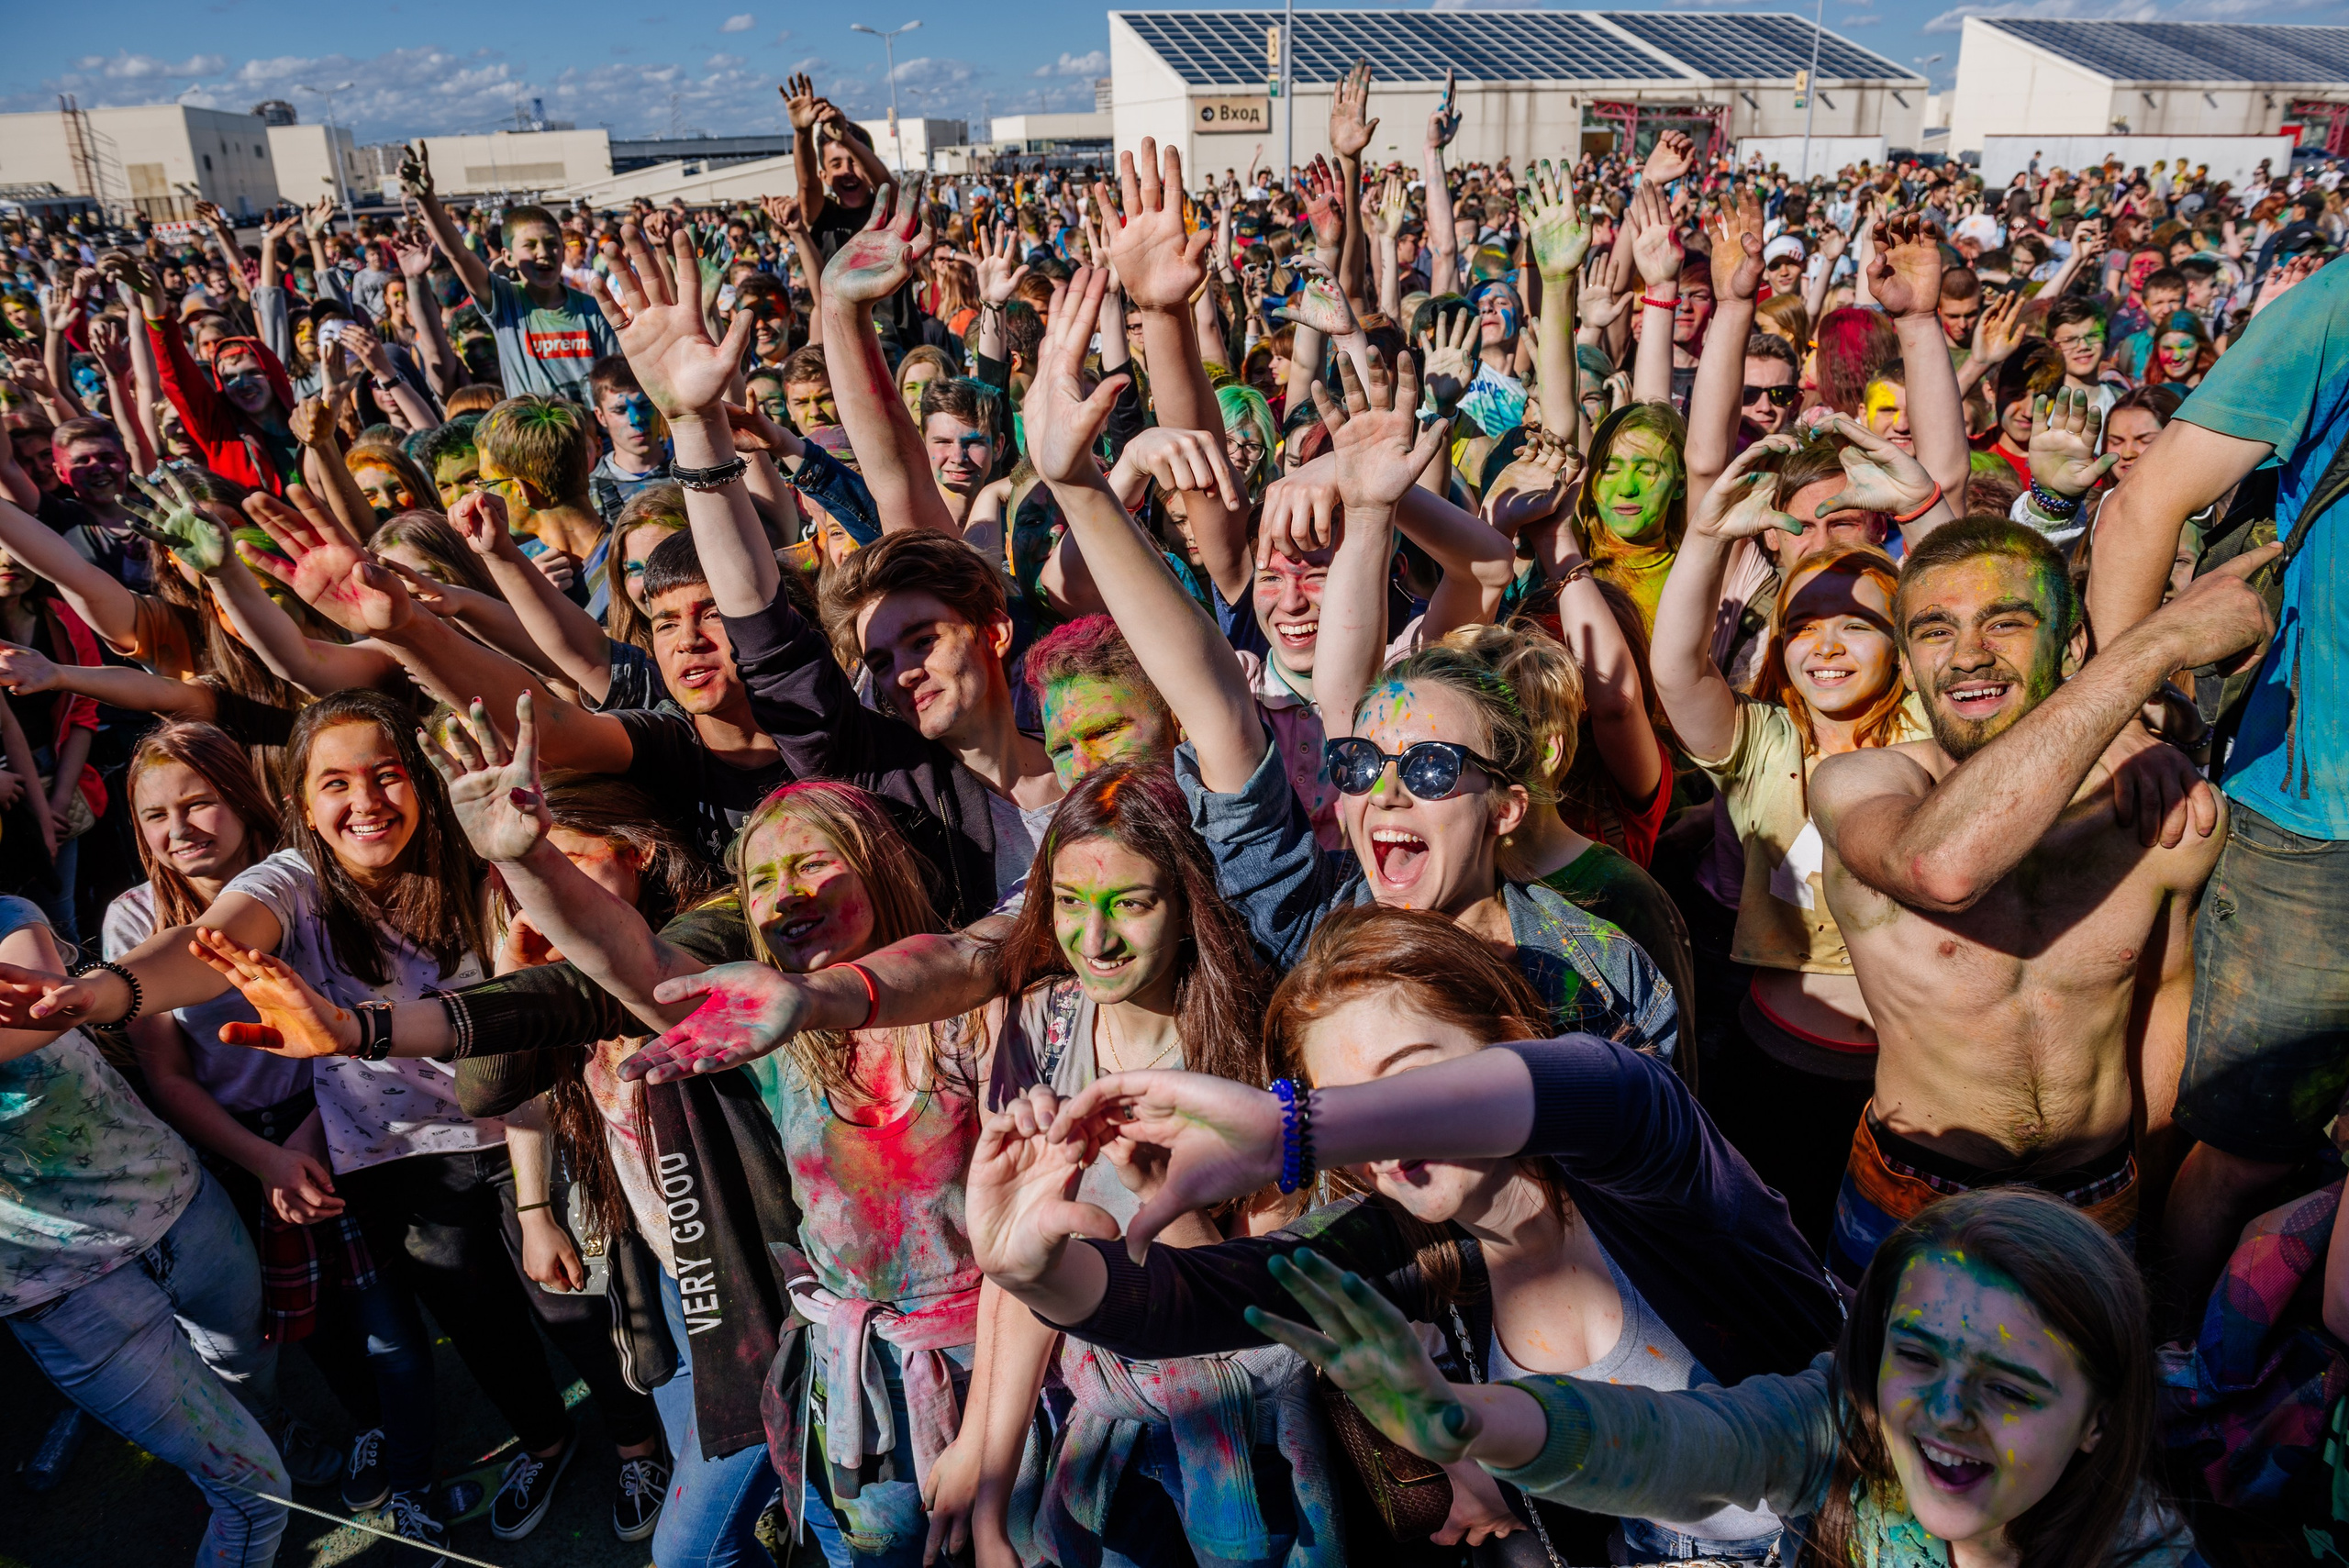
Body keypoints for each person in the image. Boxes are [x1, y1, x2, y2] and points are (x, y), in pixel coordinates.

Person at [968, 905, 1842, 1562]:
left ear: (1506, 1039)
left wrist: (1295, 1128)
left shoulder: (1649, 1171)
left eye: (1401, 1084)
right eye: (1343, 1098)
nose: (1380, 1135)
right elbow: (1193, 1300)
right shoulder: (1408, 1238)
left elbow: (1604, 1087)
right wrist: (1031, 1267)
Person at [0, 690, 615, 1559]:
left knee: (571, 1306)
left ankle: (637, 1443)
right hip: (384, 1149)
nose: (364, 801)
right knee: (459, 1321)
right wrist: (102, 991)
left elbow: (538, 1004)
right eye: (336, 783)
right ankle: (530, 1445)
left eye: (386, 774)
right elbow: (210, 947)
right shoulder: (284, 880)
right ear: (300, 800)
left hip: (504, 1123)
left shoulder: (448, 856)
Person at [416, 695, 1006, 1568]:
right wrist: (526, 861)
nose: (786, 895)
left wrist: (990, 1430)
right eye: (764, 880)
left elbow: (992, 948)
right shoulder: (776, 1031)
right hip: (845, 1374)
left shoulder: (971, 1016)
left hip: (992, 1371)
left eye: (814, 864)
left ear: (878, 868)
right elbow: (627, 969)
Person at [1242, 1188, 2201, 1568]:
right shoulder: (1847, 1425)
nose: (1945, 1411)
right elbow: (1681, 1441)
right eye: (1916, 1354)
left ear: (2099, 1418)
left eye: (2010, 1386)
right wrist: (1466, 1420)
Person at [1808, 517, 2266, 1283]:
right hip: (1914, 1187)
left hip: (2099, 1192)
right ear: (1910, 665)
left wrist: (2147, 1189)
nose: (1967, 655)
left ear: (2073, 646)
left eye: (2005, 623)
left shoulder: (2154, 815)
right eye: (1935, 631)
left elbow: (2162, 1001)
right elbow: (1941, 866)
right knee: (1876, 1363)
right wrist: (2154, 648)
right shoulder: (1860, 786)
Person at [2083, 254, 2349, 1303]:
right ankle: (2169, 1354)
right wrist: (2121, 720)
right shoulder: (2337, 304)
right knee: (2248, 1153)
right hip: (2315, 826)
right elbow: (2142, 505)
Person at [1653, 429, 1936, 1245]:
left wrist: (1924, 510)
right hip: (1769, 1063)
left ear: (1905, 650)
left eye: (1858, 625)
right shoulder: (1761, 743)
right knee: (1762, 1259)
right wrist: (1707, 536)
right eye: (1805, 626)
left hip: (1903, 1081)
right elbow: (1677, 669)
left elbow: (1978, 632)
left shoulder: (1932, 739)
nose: (1828, 644)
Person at [0, 893, 295, 1568]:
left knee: (250, 1368)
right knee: (255, 1498)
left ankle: (274, 1433)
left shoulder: (5, 914)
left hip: (180, 1205)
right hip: (62, 1295)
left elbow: (38, 1009)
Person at [404, 147, 619, 406]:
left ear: (563, 250)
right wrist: (427, 199)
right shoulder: (505, 302)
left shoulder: (592, 311)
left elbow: (614, 382)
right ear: (508, 257)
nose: (543, 253)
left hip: (589, 430)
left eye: (552, 244)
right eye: (530, 246)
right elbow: (459, 254)